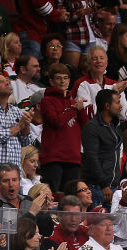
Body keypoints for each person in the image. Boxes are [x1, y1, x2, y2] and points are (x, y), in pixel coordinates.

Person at [39, 63, 90, 192]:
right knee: (53, 195)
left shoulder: (74, 103)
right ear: (51, 81)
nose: (62, 81)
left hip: (73, 158)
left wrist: (81, 109)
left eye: (66, 78)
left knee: (71, 197)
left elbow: (86, 126)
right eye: (58, 78)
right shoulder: (47, 101)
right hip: (53, 158)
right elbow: (56, 121)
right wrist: (74, 110)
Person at [81, 88, 123, 208]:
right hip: (98, 188)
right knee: (97, 224)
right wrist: (104, 184)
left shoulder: (116, 126)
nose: (120, 106)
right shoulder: (92, 127)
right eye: (117, 102)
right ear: (107, 106)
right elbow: (91, 158)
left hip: (112, 187)